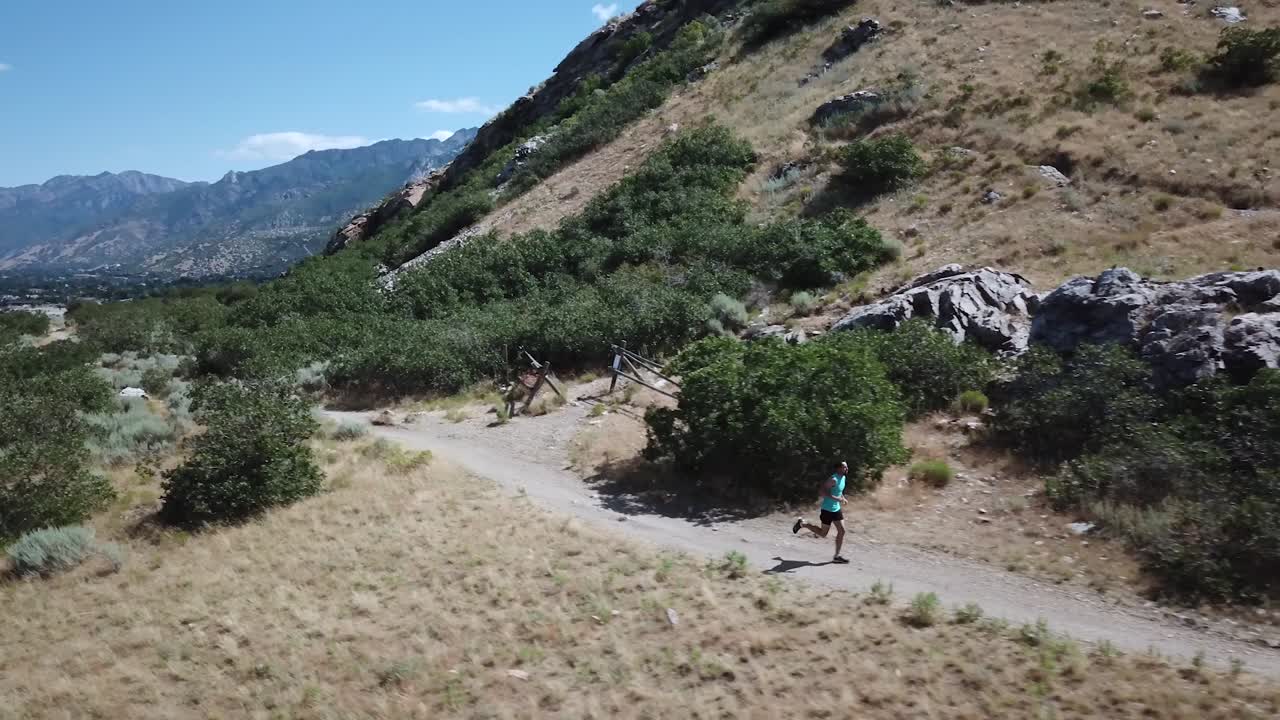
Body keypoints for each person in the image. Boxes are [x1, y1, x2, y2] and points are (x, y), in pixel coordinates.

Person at [792, 461, 850, 564]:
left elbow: (839, 491)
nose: (847, 469)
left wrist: (842, 498)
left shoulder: (843, 478)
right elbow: (822, 492)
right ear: (839, 468)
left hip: (836, 509)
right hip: (827, 510)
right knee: (823, 534)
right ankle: (802, 524)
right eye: (844, 467)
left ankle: (836, 556)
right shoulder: (833, 479)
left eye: (847, 467)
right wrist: (837, 498)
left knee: (842, 531)